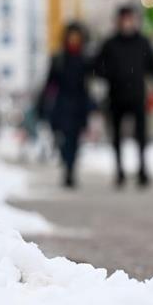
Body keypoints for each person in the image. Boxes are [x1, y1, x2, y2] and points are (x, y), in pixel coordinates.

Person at [95, 6, 153, 188]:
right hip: (115, 97)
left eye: (130, 19)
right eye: (124, 19)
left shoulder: (143, 43)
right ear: (118, 21)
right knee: (116, 135)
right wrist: (110, 75)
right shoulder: (110, 44)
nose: (127, 23)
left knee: (141, 135)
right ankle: (119, 171)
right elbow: (97, 67)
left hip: (137, 96)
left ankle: (142, 169)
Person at [35, 22, 94, 188]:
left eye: (77, 37)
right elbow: (50, 83)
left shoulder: (85, 59)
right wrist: (43, 103)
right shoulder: (58, 59)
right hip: (62, 104)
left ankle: (70, 170)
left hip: (79, 105)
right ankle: (66, 163)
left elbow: (92, 82)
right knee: (62, 138)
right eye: (71, 36)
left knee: (74, 140)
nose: (74, 40)